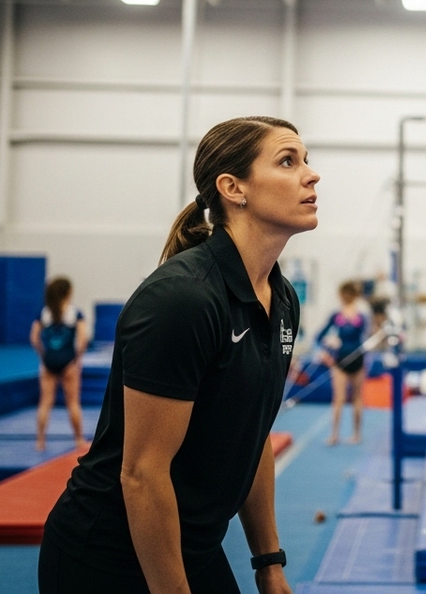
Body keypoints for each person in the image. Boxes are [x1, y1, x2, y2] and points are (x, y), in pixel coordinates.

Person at [39, 116, 318, 594]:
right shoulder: (182, 298)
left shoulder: (282, 298)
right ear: (233, 188)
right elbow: (142, 474)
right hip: (108, 554)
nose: (311, 175)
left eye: (307, 162)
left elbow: (254, 438)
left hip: (195, 546)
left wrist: (269, 564)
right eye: (288, 162)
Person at [30, 276, 88, 451]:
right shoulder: (74, 313)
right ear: (67, 293)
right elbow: (83, 338)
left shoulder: (44, 313)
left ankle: (40, 441)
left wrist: (43, 354)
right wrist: (76, 359)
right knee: (73, 402)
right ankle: (78, 439)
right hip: (68, 361)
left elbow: (33, 338)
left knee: (45, 402)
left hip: (49, 361)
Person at [316, 281, 371, 445]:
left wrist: (328, 346)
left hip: (344, 359)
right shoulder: (360, 317)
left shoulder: (339, 316)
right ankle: (356, 434)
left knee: (340, 399)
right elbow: (366, 339)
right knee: (356, 398)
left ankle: (335, 435)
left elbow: (319, 338)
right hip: (355, 358)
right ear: (356, 297)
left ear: (341, 296)